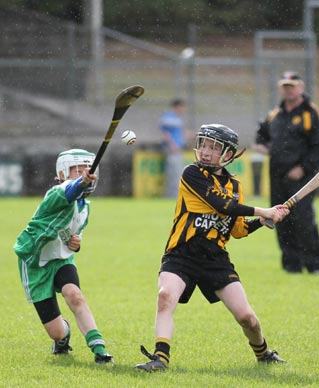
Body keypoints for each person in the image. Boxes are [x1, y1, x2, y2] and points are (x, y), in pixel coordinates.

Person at [135, 124, 290, 372]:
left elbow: (237, 230)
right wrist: (264, 210)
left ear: (228, 154)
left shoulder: (236, 187)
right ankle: (160, 358)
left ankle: (264, 353)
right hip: (182, 253)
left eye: (214, 147)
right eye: (204, 145)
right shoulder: (191, 174)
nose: (206, 152)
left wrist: (261, 222)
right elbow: (222, 206)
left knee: (246, 318)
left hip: (215, 259)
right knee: (165, 296)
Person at [13, 149, 113, 363]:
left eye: (88, 169)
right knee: (56, 331)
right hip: (34, 261)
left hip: (61, 259)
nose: (85, 173)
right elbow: (70, 190)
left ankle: (99, 349)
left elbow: (73, 236)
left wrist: (75, 244)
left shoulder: (85, 207)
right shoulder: (57, 192)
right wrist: (80, 182)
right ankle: (62, 337)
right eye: (78, 170)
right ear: (62, 173)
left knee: (74, 294)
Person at [255, 71, 319, 273]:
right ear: (281, 88)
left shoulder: (310, 113)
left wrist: (303, 168)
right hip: (277, 177)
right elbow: (260, 137)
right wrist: (267, 149)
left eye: (292, 85)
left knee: (304, 219)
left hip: (302, 179)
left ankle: (314, 264)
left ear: (301, 87)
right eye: (285, 86)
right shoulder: (274, 114)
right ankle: (291, 265)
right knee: (280, 219)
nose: (289, 89)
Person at [160, 98, 187, 198]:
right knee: (174, 174)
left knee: (176, 173)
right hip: (173, 150)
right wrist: (172, 145)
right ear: (177, 106)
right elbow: (165, 133)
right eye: (182, 107)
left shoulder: (177, 118)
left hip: (177, 149)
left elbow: (179, 133)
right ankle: (172, 196)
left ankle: (174, 195)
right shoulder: (169, 118)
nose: (183, 110)